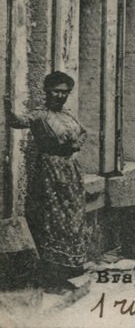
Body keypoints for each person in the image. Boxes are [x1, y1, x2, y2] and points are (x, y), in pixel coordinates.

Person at [6, 71, 88, 290]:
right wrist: (6, 105)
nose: (60, 96)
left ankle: (66, 271)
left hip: (71, 173)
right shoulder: (39, 115)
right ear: (47, 91)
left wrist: (76, 144)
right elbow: (17, 121)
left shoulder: (68, 115)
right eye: (56, 91)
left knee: (71, 221)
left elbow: (83, 133)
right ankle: (50, 277)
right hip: (49, 173)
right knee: (51, 221)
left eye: (65, 92)